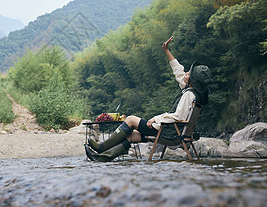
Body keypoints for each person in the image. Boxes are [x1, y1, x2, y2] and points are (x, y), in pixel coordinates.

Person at [85, 36, 213, 162]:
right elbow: (178, 71)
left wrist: (156, 118)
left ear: (193, 81)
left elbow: (178, 116)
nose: (185, 73)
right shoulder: (193, 91)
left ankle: (102, 147)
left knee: (130, 119)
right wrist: (167, 51)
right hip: (173, 131)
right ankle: (102, 157)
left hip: (169, 132)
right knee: (131, 136)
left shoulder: (188, 95)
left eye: (188, 74)